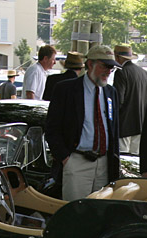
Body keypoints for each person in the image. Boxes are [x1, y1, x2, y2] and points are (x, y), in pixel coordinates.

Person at [45, 45, 120, 201]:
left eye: (111, 68)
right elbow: (52, 129)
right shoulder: (66, 90)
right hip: (77, 162)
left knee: (99, 215)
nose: (108, 71)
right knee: (76, 215)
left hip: (104, 164)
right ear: (90, 64)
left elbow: (114, 130)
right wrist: (66, 159)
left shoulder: (111, 92)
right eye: (105, 66)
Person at [113, 44, 147, 155]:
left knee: (123, 161)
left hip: (124, 124)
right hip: (141, 124)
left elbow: (118, 100)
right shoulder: (144, 73)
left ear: (117, 57)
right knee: (136, 161)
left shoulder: (121, 72)